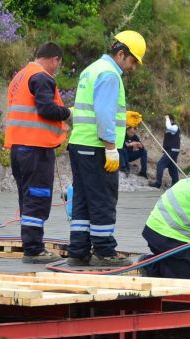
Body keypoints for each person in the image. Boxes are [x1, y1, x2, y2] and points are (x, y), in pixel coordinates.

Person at [66, 30, 146, 267]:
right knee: (103, 197)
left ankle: (78, 251)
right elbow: (102, 113)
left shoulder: (91, 69)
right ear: (121, 54)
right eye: (132, 61)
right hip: (97, 147)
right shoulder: (110, 74)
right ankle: (104, 251)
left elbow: (92, 108)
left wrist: (122, 118)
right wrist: (111, 147)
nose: (133, 67)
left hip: (80, 144)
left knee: (82, 199)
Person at [4, 41, 71, 264]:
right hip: (35, 148)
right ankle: (33, 250)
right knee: (38, 196)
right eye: (58, 65)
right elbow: (46, 109)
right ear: (55, 59)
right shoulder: (42, 77)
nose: (56, 69)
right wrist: (67, 113)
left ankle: (30, 244)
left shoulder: (20, 77)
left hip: (18, 147)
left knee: (27, 196)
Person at [151, 114, 181, 189]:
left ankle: (158, 183)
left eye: (167, 120)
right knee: (172, 167)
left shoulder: (174, 127)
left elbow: (168, 126)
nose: (166, 121)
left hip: (172, 150)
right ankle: (176, 184)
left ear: (171, 120)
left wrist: (167, 117)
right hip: (171, 150)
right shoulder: (171, 129)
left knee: (160, 164)